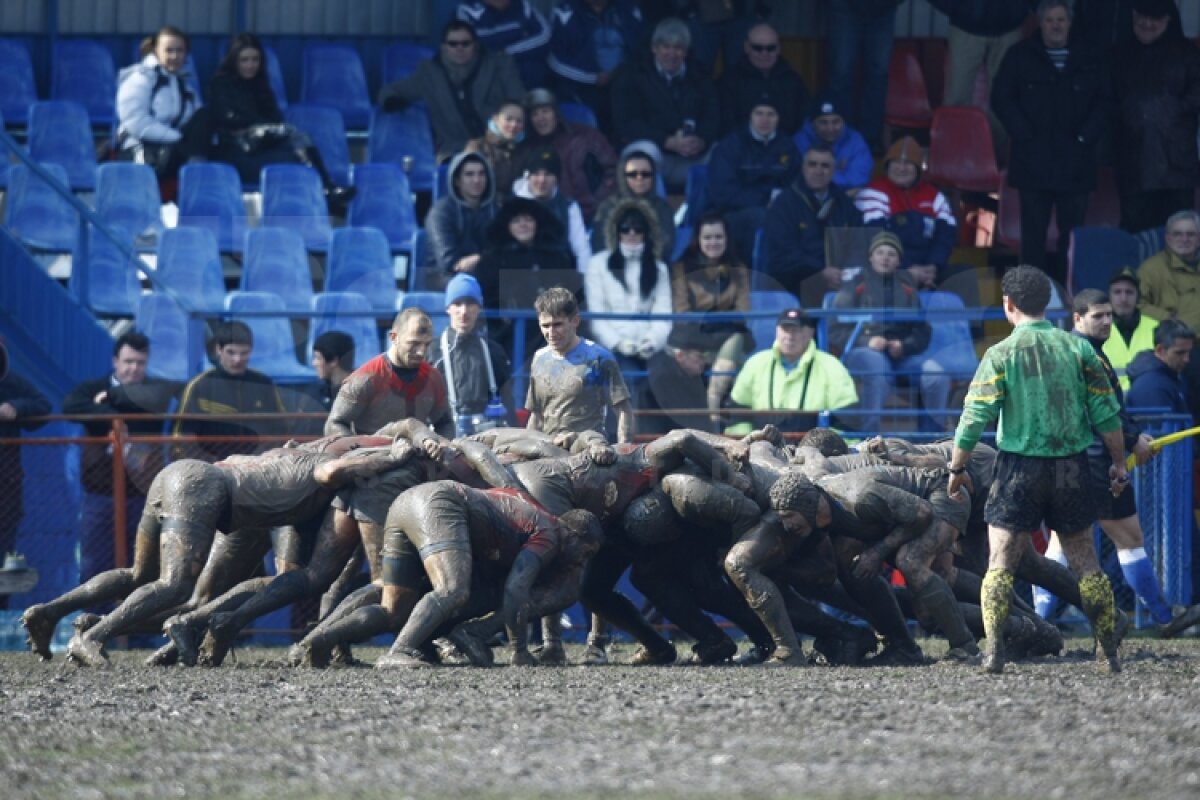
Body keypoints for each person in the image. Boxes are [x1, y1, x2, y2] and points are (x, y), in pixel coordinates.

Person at [21, 434, 407, 665]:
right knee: (175, 586)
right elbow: (331, 473)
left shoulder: (285, 455)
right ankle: (92, 636)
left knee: (139, 574)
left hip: (181, 477)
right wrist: (394, 455)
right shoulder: (325, 462)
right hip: (203, 487)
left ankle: (49, 611)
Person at [948, 265, 1129, 674]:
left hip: (1018, 468)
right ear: (1048, 305)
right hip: (1071, 466)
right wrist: (1118, 463)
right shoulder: (1079, 349)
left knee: (1001, 563)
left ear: (1008, 305)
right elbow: (1107, 414)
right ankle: (1107, 652)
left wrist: (957, 467)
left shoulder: (1000, 353)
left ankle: (993, 652)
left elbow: (974, 415)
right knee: (1086, 561)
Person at [1067, 289, 1187, 631]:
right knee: (1130, 538)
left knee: (1065, 542)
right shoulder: (1088, 355)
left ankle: (1039, 620)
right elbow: (1104, 414)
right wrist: (1132, 442)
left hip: (1066, 461)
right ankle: (1165, 618)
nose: (1107, 321)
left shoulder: (1072, 351)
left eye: (1109, 315)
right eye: (1098, 316)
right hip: (1095, 460)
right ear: (1077, 318)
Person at [991, 0, 1108, 285]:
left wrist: (1085, 137)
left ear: (1070, 23)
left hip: (1076, 163)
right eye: (1050, 20)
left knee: (1073, 237)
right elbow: (1001, 99)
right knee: (1032, 238)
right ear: (1040, 23)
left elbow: (1106, 102)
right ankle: (1032, 298)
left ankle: (1071, 292)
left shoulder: (1091, 56)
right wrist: (1023, 134)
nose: (1056, 25)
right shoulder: (1019, 55)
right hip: (1033, 162)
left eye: (1061, 20)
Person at [62, 332, 178, 583]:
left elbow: (159, 400)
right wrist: (113, 418)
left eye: (140, 363)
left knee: (143, 564)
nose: (134, 369)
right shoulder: (91, 388)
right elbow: (70, 407)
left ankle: (137, 620)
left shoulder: (154, 390)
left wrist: (109, 401)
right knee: (95, 564)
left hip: (142, 495)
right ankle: (95, 620)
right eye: (128, 362)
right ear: (115, 360)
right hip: (101, 494)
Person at [206, 33, 353, 208]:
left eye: (255, 60)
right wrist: (259, 123)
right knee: (297, 159)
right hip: (237, 153)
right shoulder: (220, 85)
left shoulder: (261, 86)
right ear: (234, 61)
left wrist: (258, 124)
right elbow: (230, 120)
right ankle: (327, 192)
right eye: (244, 60)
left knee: (301, 141)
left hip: (262, 147)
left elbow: (275, 118)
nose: (250, 65)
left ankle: (326, 192)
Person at [831, 231, 951, 433]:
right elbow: (834, 330)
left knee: (937, 375)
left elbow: (923, 331)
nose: (885, 258)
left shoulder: (908, 288)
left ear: (898, 261)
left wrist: (904, 346)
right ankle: (869, 438)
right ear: (871, 257)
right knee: (877, 369)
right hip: (864, 352)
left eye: (891, 254)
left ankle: (933, 437)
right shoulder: (854, 285)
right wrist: (866, 341)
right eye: (880, 252)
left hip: (902, 355)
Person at [1111, 0, 1200, 234]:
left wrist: (1169, 108)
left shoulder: (1189, 54)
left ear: (1169, 20)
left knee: (1179, 238)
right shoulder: (1118, 55)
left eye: (1156, 18)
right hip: (1133, 164)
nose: (1147, 24)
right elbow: (1106, 100)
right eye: (1141, 17)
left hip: (1177, 168)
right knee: (1136, 237)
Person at [379, 19, 525, 162]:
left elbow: (518, 100)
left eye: (465, 43)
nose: (459, 48)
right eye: (453, 44)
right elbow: (390, 91)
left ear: (475, 45)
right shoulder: (429, 74)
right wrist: (392, 100)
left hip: (501, 147)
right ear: (443, 47)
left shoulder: (499, 65)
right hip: (455, 152)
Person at [609, 17, 719, 191]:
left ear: (686, 51)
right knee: (643, 153)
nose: (672, 54)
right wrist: (667, 141)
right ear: (654, 48)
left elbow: (713, 114)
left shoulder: (700, 74)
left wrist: (701, 139)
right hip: (658, 156)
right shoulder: (632, 76)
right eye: (666, 47)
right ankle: (651, 212)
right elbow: (626, 123)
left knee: (722, 152)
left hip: (692, 157)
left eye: (678, 48)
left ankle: (705, 214)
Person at [670, 212, 754, 426]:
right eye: (707, 237)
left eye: (718, 237)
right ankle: (714, 417)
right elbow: (682, 313)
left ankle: (712, 413)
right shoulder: (681, 268)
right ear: (697, 240)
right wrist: (719, 318)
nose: (713, 242)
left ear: (727, 239)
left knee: (736, 340)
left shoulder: (739, 268)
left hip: (729, 337)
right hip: (694, 338)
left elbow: (743, 312)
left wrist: (709, 318)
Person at [926, 0, 1034, 160]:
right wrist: (959, 9)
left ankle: (995, 159)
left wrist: (1021, 8)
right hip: (966, 26)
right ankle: (951, 158)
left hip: (1009, 26)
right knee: (957, 97)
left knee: (1005, 99)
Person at [726, 308, 858, 436]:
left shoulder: (832, 366)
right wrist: (747, 444)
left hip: (814, 451)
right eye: (785, 329)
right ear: (777, 331)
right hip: (760, 448)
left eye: (796, 330)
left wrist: (827, 448)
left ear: (810, 333)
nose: (789, 336)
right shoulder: (755, 363)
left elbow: (846, 421)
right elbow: (737, 417)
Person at [526, 286, 634, 443]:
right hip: (549, 452)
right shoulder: (539, 358)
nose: (551, 332)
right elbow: (536, 417)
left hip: (589, 452)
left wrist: (624, 451)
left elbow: (623, 410)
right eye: (545, 326)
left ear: (575, 321)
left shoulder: (599, 358)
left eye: (557, 324)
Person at [760, 143, 863, 306]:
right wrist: (819, 272)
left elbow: (859, 242)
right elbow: (781, 256)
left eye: (825, 166)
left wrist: (846, 273)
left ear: (834, 170)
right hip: (796, 285)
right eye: (812, 164)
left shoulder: (844, 204)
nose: (818, 171)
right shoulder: (784, 204)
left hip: (842, 284)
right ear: (803, 167)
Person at [326, 308, 454, 438]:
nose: (421, 352)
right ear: (394, 337)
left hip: (418, 454)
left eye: (426, 345)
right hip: (372, 455)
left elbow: (445, 423)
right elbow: (334, 424)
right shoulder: (366, 378)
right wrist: (358, 450)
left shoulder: (433, 378)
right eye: (414, 343)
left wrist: (439, 450)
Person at [855, 136, 959, 292]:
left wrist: (932, 266)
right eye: (896, 162)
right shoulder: (873, 192)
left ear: (918, 169)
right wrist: (908, 269)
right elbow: (877, 237)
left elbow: (946, 236)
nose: (901, 168)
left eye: (908, 163)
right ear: (887, 165)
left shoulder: (934, 195)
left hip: (928, 267)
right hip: (889, 268)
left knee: (962, 273)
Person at [173, 322, 287, 461]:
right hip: (211, 468)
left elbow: (280, 430)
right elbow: (181, 439)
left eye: (244, 353)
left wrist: (263, 461)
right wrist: (205, 467)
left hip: (257, 467)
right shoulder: (199, 386)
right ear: (218, 350)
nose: (237, 359)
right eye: (231, 352)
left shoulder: (264, 383)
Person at [474, 196, 575, 352]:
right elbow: (487, 304)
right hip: (507, 339)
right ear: (507, 226)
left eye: (528, 219)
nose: (523, 224)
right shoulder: (491, 261)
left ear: (537, 223)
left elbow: (570, 298)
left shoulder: (557, 258)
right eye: (516, 221)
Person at [583, 198, 673, 372]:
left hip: (650, 347)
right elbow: (596, 316)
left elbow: (663, 313)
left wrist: (652, 341)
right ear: (617, 232)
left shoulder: (659, 268)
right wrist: (618, 344)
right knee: (626, 375)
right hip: (612, 347)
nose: (632, 233)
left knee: (663, 374)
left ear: (646, 233)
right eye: (625, 228)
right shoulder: (597, 264)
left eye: (638, 229)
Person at [705, 98, 800, 262]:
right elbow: (723, 195)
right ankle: (754, 275)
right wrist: (767, 199)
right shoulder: (730, 146)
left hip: (780, 210)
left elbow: (797, 182)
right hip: (733, 214)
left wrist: (782, 201)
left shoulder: (788, 146)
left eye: (771, 114)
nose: (765, 120)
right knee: (761, 217)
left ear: (779, 118)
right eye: (759, 114)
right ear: (750, 116)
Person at [116, 25, 213, 182]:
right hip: (141, 148)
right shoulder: (140, 79)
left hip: (173, 150)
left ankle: (195, 176)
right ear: (156, 51)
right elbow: (136, 122)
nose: (175, 56)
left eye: (180, 50)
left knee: (206, 117)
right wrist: (176, 138)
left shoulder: (186, 88)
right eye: (169, 50)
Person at [427, 273, 514, 437]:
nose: (464, 311)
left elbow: (508, 404)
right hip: (442, 438)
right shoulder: (432, 351)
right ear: (448, 308)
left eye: (470, 303)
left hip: (485, 437)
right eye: (457, 304)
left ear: (479, 308)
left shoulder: (493, 352)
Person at [546, 0, 644, 135]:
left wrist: (624, 73)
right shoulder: (564, 13)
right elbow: (555, 61)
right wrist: (592, 78)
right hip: (580, 90)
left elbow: (640, 52)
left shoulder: (629, 9)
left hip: (624, 85)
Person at [0, 341, 49, 607]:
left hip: (5, 491)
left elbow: (43, 406)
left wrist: (15, 408)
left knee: (4, 562)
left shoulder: (12, 382)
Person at [523, 87, 617, 221]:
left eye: (545, 111)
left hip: (595, 215)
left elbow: (613, 170)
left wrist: (598, 204)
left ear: (556, 113)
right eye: (535, 114)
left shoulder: (586, 136)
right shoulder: (528, 149)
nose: (540, 118)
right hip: (552, 219)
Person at [826, 0, 902, 153]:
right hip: (845, 6)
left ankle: (869, 140)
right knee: (842, 70)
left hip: (884, 8)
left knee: (878, 72)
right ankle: (839, 137)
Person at [717, 22, 811, 138]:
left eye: (770, 48)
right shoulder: (729, 81)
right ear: (747, 47)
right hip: (740, 149)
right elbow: (725, 124)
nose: (764, 53)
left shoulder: (793, 81)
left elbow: (804, 120)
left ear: (778, 49)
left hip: (784, 148)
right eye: (757, 48)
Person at [590, 141, 677, 260]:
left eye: (645, 174)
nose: (639, 178)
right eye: (632, 174)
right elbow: (600, 245)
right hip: (614, 270)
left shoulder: (663, 208)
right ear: (623, 176)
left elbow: (666, 245)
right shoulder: (608, 207)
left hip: (652, 269)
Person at [511, 146, 592, 273]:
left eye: (548, 174)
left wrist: (583, 282)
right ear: (527, 176)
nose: (542, 180)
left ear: (557, 179)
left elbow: (581, 250)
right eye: (536, 174)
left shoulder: (569, 207)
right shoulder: (512, 206)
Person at [426, 151, 499, 277]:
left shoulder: (496, 210)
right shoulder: (441, 212)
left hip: (486, 274)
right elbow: (449, 263)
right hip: (444, 278)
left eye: (481, 174)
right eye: (469, 175)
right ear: (457, 181)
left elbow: (506, 253)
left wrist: (479, 259)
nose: (476, 180)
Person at [456, 0, 552, 90]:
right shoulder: (465, 11)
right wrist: (519, 34)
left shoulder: (522, 5)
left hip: (529, 88)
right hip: (488, 86)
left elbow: (544, 37)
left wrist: (504, 52)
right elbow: (472, 47)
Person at [792, 97, 873, 197]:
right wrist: (838, 171)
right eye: (823, 122)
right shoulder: (800, 140)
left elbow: (858, 182)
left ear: (843, 122)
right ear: (813, 123)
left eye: (836, 122)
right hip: (809, 197)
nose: (830, 128)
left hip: (850, 198)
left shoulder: (855, 140)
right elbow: (805, 179)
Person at [1137, 211, 1200, 335]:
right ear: (1168, 239)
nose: (1184, 239)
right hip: (1174, 344)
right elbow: (1136, 305)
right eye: (1177, 234)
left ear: (1199, 240)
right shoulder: (1151, 269)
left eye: (1191, 234)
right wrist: (1168, 319)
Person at [642, 325, 712, 434]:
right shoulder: (663, 378)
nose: (705, 361)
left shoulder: (694, 376)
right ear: (680, 356)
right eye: (700, 356)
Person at [291, 330, 357, 437]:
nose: (314, 363)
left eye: (317, 358)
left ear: (334, 361)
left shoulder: (359, 392)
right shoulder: (314, 392)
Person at [464, 99, 529, 203]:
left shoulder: (525, 151)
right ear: (495, 119)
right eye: (509, 119)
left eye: (519, 121)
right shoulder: (477, 146)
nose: (514, 124)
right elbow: (469, 184)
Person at [1104, 267, 1158, 390]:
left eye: (1129, 292)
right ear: (1109, 296)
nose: (1123, 298)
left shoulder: (1156, 327)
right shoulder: (1096, 329)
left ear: (1138, 296)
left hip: (1147, 402)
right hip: (1109, 405)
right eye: (1117, 292)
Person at [1126, 319, 1194, 415]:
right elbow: (1158, 427)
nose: (1186, 359)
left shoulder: (1172, 376)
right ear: (1160, 350)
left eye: (1188, 352)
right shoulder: (1151, 386)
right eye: (1180, 353)